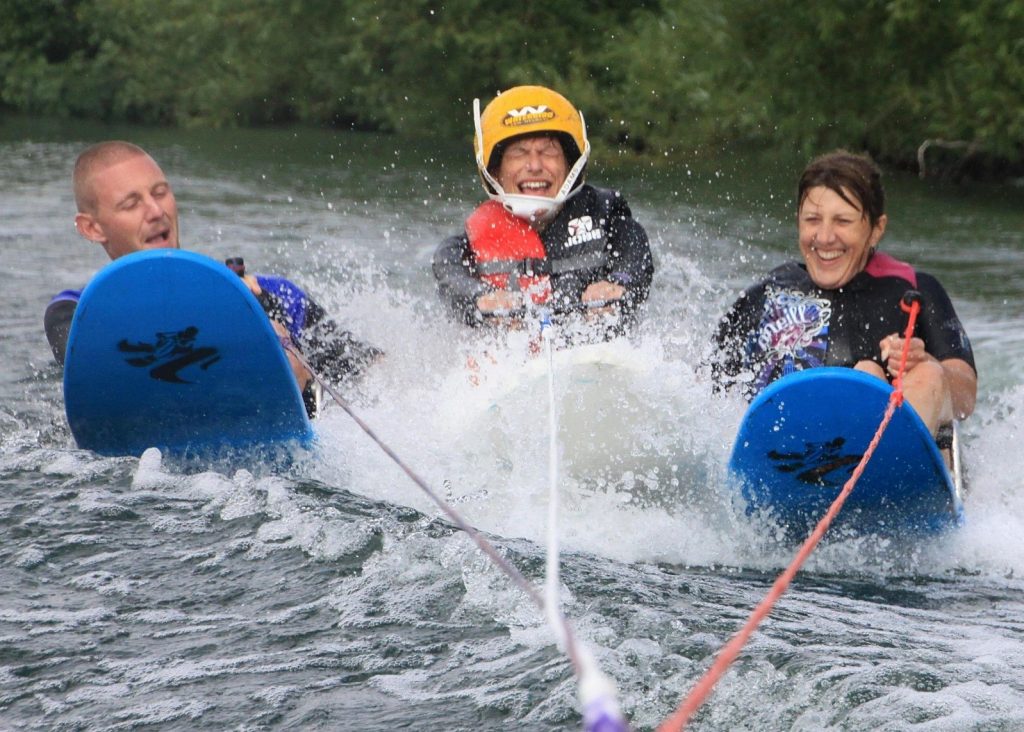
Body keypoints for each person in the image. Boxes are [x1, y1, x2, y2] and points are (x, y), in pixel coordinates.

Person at [44, 140, 379, 416]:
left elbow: (374, 373)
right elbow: (102, 366)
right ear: (92, 228)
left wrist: (271, 329)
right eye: (132, 203)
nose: (156, 211)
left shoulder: (271, 294)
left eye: (160, 193)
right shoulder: (73, 311)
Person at [710, 150, 976, 436]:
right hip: (782, 453)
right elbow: (706, 387)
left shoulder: (915, 291)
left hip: (888, 461)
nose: (824, 237)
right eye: (812, 219)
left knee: (883, 375)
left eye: (843, 221)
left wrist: (926, 363)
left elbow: (965, 397)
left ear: (876, 229)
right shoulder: (769, 292)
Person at [432, 85, 654, 338]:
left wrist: (618, 283)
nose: (535, 165)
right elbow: (449, 274)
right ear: (495, 171)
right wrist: (481, 298)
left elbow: (636, 259)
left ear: (570, 164)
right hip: (513, 369)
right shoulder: (462, 249)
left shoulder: (610, 221)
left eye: (548, 151)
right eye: (519, 153)